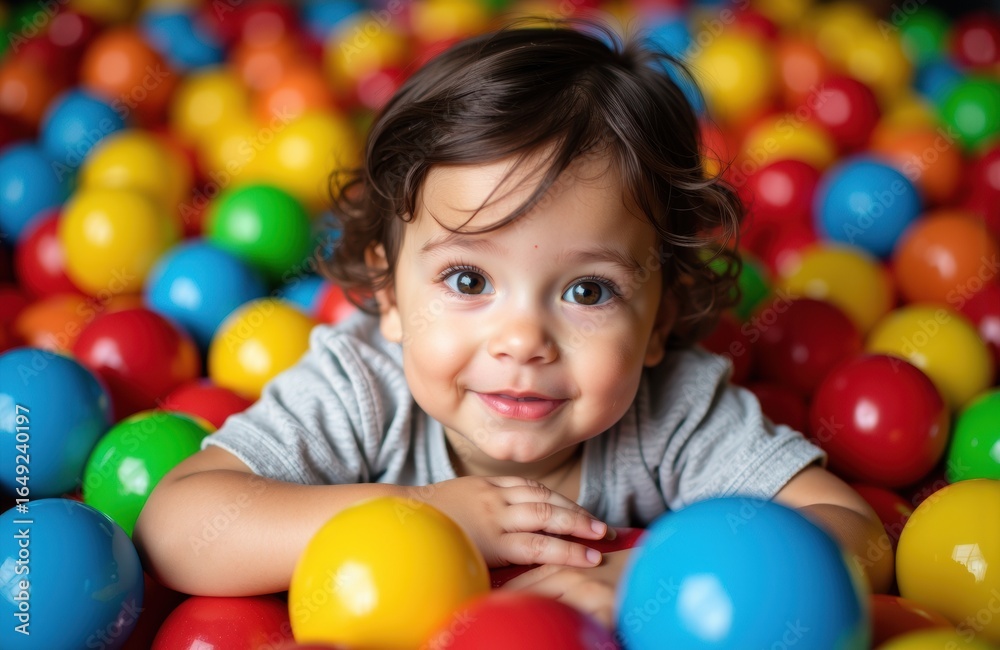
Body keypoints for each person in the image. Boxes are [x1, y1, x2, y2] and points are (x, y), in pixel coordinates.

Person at [135, 20, 893, 627]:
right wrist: (422, 515)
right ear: (390, 299)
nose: (523, 340)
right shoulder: (361, 386)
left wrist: (654, 574)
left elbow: (857, 538)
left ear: (658, 322)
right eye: (468, 280)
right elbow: (176, 529)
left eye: (588, 292)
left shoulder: (673, 413)